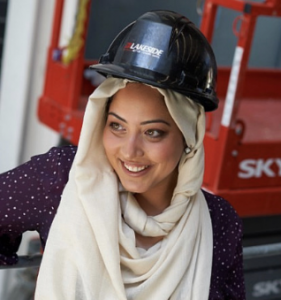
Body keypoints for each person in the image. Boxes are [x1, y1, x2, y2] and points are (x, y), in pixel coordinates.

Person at [0, 10, 245, 299]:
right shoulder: (64, 179)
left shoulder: (219, 223)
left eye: (153, 132)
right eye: (117, 126)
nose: (130, 151)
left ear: (188, 135)